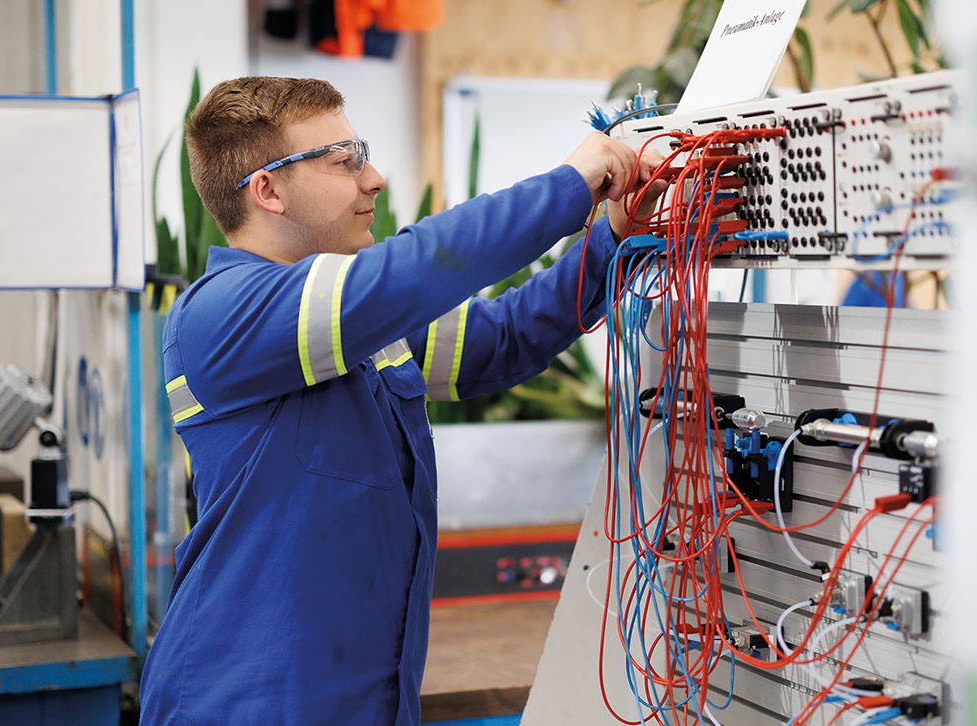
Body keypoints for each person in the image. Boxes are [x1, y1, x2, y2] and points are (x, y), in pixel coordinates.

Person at [140, 76, 665, 726]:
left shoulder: (358, 327)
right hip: (246, 703)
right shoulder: (219, 315)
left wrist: (616, 232)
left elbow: (501, 341)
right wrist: (569, 185)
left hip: (365, 701)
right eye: (345, 160)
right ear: (267, 189)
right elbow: (415, 268)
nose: (375, 178)